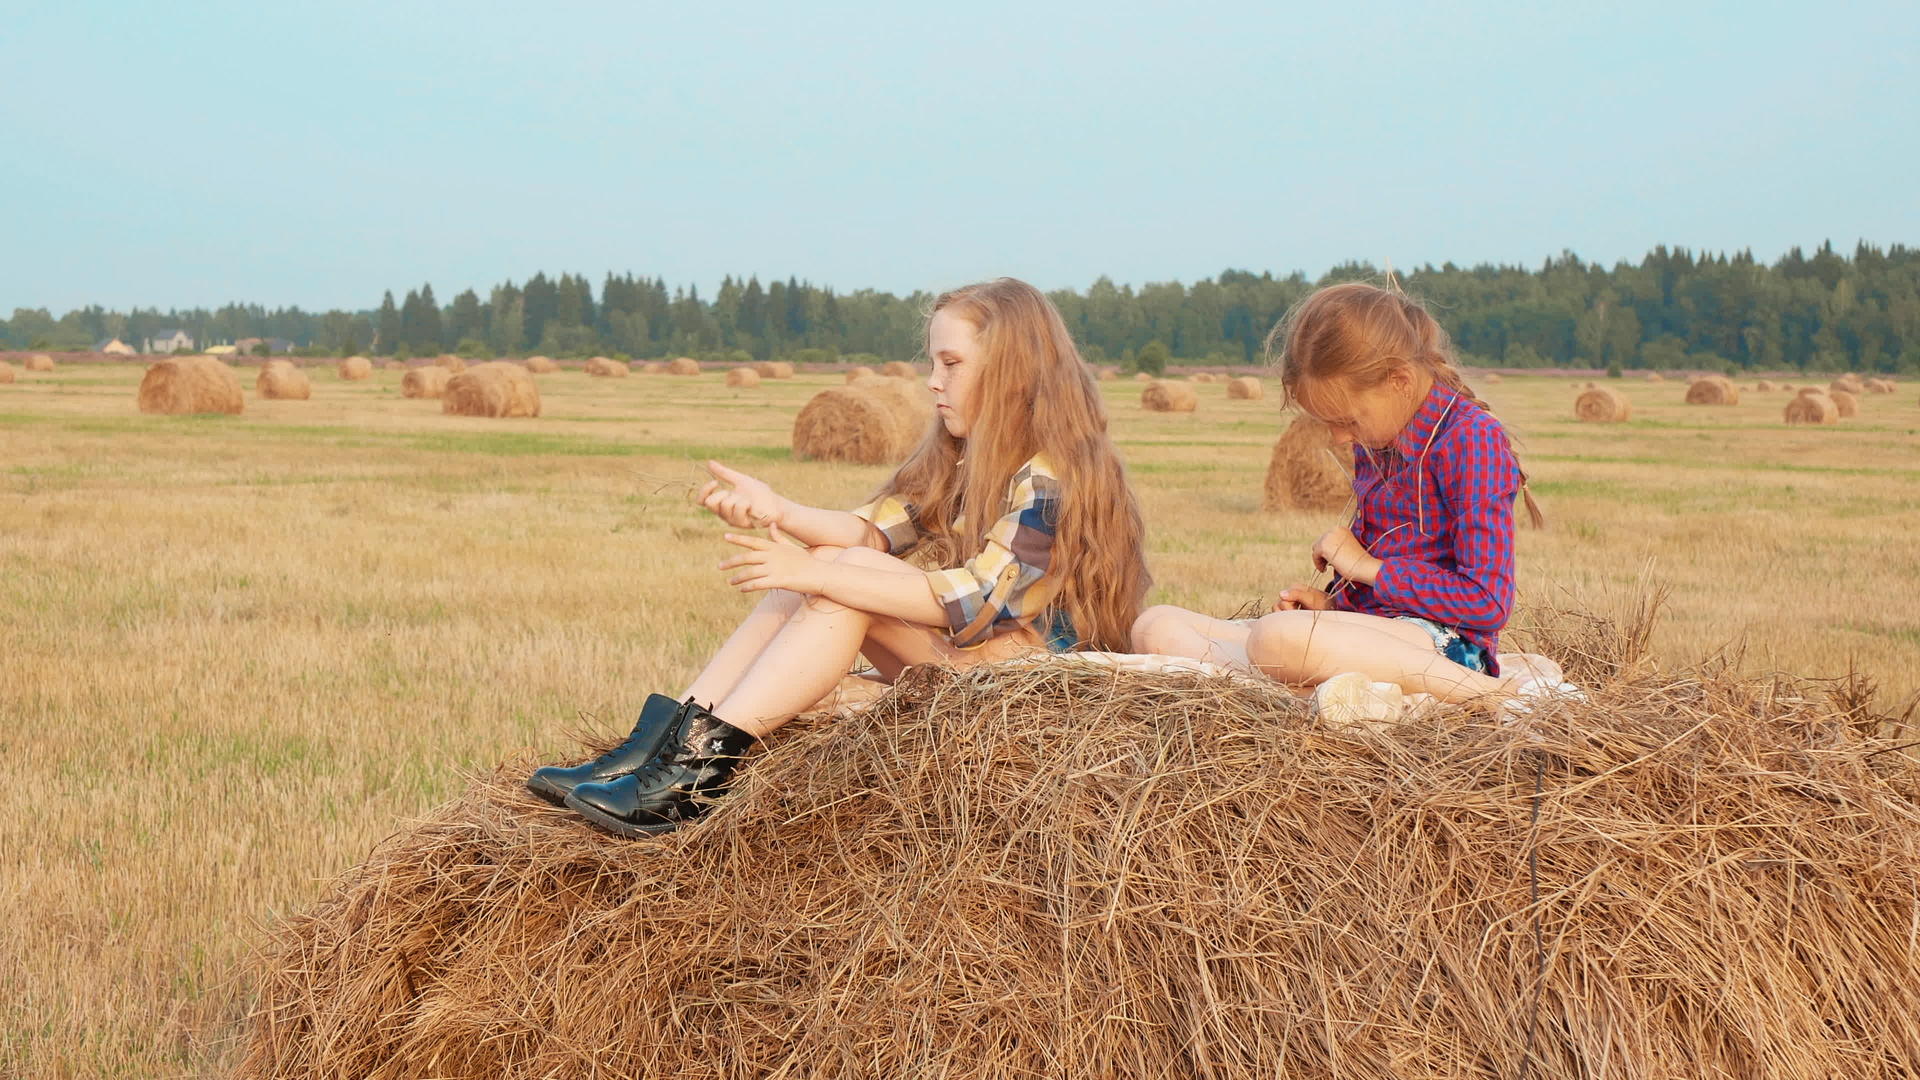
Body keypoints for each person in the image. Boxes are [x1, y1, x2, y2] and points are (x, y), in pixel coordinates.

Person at [528, 278, 1150, 836]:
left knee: (837, 572)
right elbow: (872, 531)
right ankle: (661, 747)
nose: (933, 381)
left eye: (952, 363)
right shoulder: (970, 456)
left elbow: (978, 599)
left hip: (1035, 687)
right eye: (933, 362)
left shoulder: (1051, 474)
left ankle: (696, 773)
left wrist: (818, 572)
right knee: (834, 557)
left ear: (1012, 370)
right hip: (979, 665)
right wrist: (779, 512)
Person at [1131, 280, 1571, 707]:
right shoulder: (1377, 441)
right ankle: (1303, 687)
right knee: (1156, 628)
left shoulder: (1472, 439)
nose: (1341, 439)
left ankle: (1494, 695)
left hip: (1447, 647)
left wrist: (1366, 567)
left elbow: (1486, 603)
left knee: (1277, 638)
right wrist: (1333, 603)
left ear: (1399, 381)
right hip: (1377, 634)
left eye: (1348, 420)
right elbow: (1386, 575)